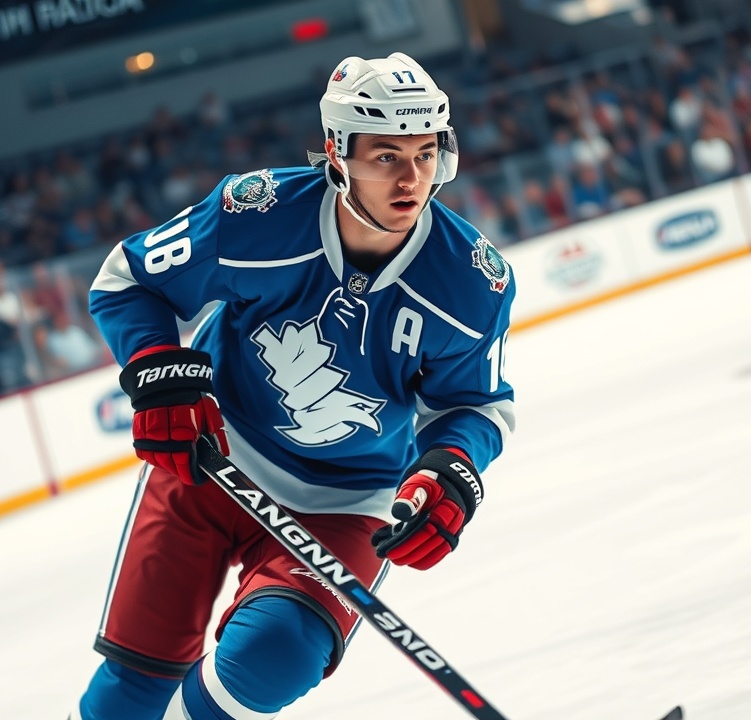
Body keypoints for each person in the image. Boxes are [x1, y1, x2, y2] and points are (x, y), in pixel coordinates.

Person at [76, 52, 516, 720]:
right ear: (337, 153)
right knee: (133, 683)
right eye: (386, 157)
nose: (412, 180)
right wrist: (159, 372)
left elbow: (474, 405)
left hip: (348, 498)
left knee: (276, 653)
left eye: (425, 155)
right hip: (211, 457)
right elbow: (127, 279)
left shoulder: (471, 282)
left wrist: (450, 470)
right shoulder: (254, 214)